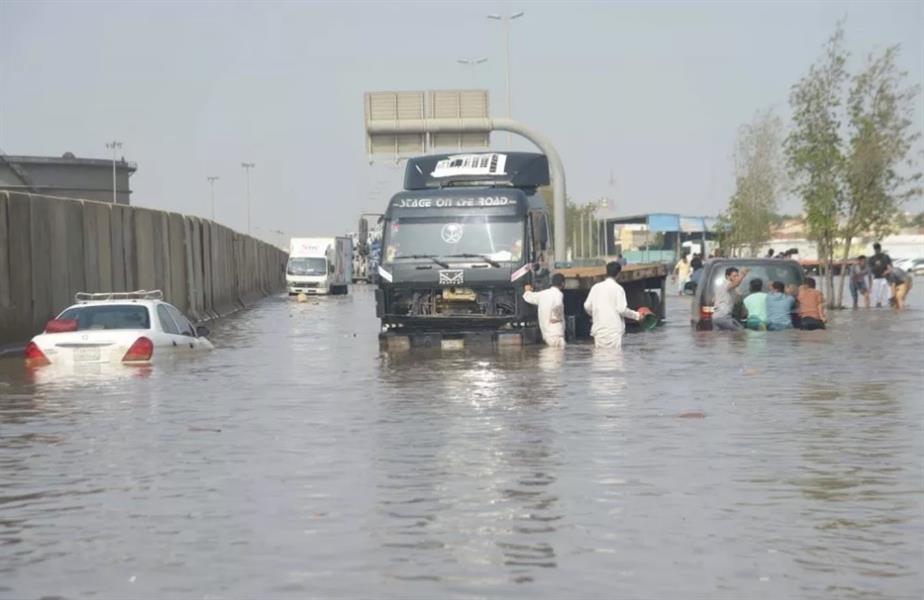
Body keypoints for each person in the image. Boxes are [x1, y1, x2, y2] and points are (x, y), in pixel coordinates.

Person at [583, 261, 648, 349]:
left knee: (599, 359)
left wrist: (595, 314)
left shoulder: (595, 288)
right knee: (615, 359)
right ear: (618, 274)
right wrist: (637, 315)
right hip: (613, 331)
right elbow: (621, 310)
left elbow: (587, 306)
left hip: (598, 330)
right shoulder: (618, 289)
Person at [523, 274, 566, 347]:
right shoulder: (558, 294)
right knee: (557, 356)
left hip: (547, 335)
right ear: (563, 284)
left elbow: (528, 297)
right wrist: (557, 318)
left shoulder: (543, 294)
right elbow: (558, 305)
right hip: (556, 334)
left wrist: (527, 291)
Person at [712, 266, 750, 330]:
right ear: (728, 277)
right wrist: (743, 273)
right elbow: (736, 283)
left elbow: (713, 300)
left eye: (737, 276)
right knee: (740, 332)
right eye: (734, 276)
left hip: (717, 317)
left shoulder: (722, 286)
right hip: (723, 317)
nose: (736, 278)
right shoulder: (727, 283)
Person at [868, 242, 892, 308]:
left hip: (885, 278)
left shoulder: (885, 257)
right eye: (876, 249)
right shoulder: (871, 259)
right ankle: (879, 305)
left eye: (878, 249)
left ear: (880, 249)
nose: (877, 251)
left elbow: (890, 267)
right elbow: (870, 271)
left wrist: (886, 272)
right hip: (877, 278)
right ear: (874, 250)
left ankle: (890, 303)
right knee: (878, 297)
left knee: (889, 294)